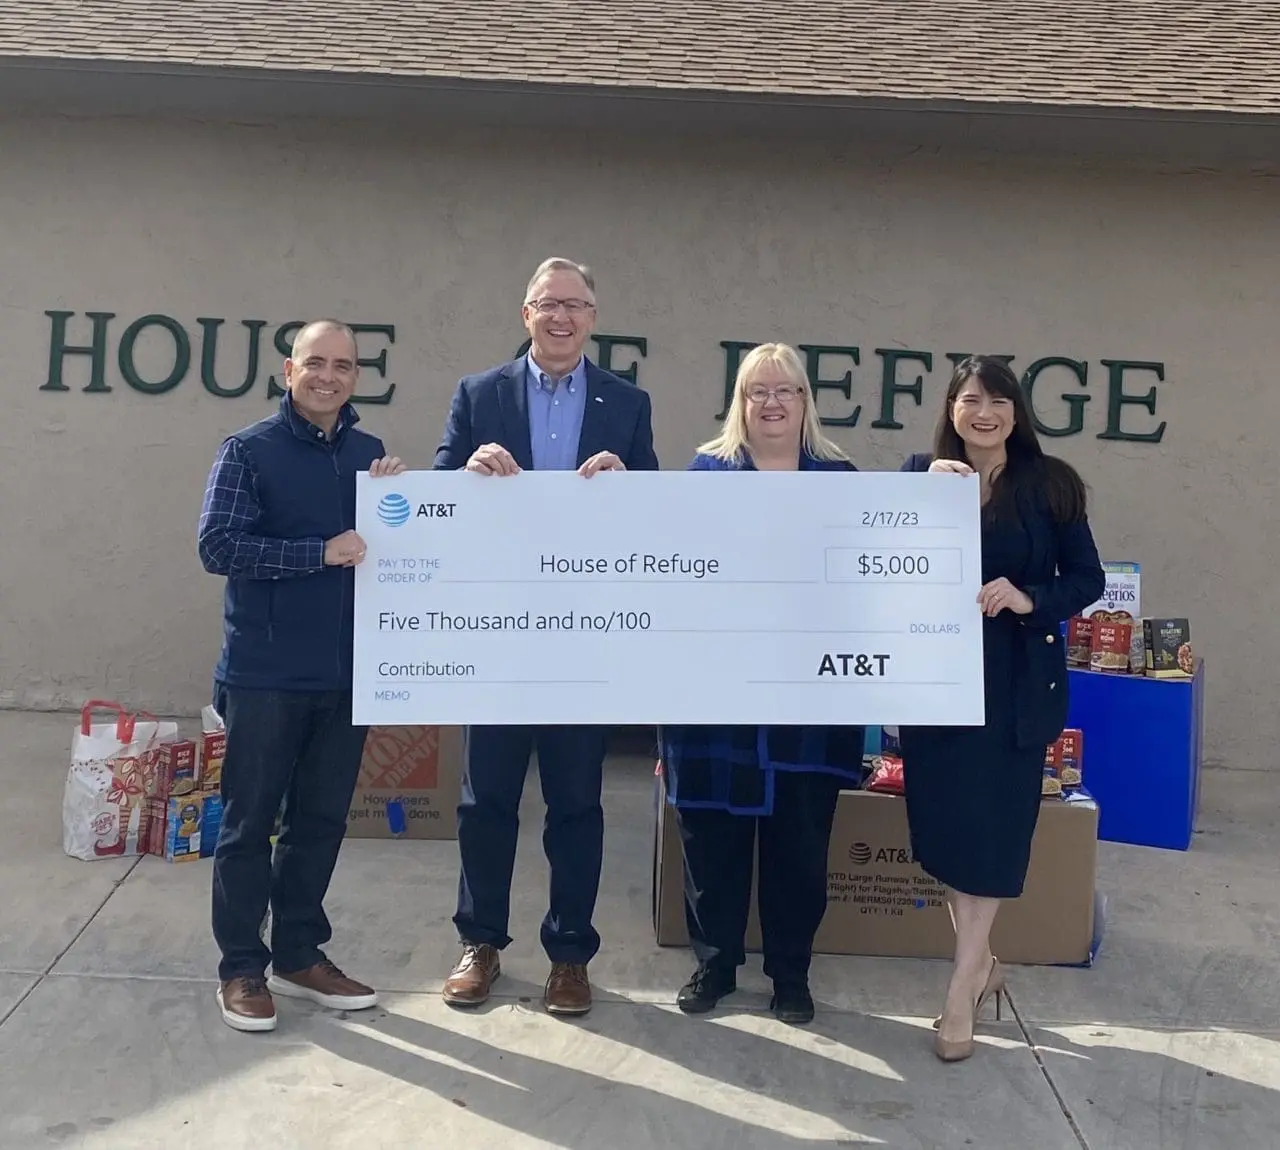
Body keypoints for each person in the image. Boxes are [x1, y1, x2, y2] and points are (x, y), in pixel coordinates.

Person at [433, 256, 659, 1016]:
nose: (562, 317)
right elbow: (438, 489)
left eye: (576, 305)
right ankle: (481, 944)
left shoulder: (626, 401)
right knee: (485, 799)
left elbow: (656, 504)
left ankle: (570, 955)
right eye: (548, 304)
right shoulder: (478, 394)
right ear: (525, 313)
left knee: (576, 803)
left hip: (581, 636)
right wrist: (466, 470)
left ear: (593, 318)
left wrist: (629, 482)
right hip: (496, 632)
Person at [197, 318, 405, 1033]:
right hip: (265, 673)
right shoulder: (248, 451)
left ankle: (298, 952)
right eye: (315, 363)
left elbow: (389, 551)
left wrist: (400, 506)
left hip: (347, 677)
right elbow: (218, 545)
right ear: (290, 370)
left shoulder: (370, 455)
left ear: (355, 376)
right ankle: (240, 968)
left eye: (343, 366)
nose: (329, 376)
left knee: (319, 823)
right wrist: (317, 553)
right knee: (251, 824)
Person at [899, 354, 1105, 1062]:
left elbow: (1087, 577)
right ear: (951, 410)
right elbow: (879, 557)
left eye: (997, 401)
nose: (983, 413)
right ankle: (982, 962)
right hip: (935, 685)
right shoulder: (918, 475)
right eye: (969, 399)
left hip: (1012, 686)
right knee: (946, 836)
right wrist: (918, 496)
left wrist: (1027, 598)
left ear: (1017, 413)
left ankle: (962, 988)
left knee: (991, 835)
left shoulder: (1050, 487)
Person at [659, 342, 866, 1024]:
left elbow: (867, 587)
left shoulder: (840, 480)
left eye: (786, 391)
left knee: (799, 849)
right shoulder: (703, 475)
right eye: (757, 392)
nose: (772, 403)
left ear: (806, 402)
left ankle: (791, 975)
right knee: (711, 843)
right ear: (739, 404)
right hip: (716, 704)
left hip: (808, 705)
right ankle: (715, 965)